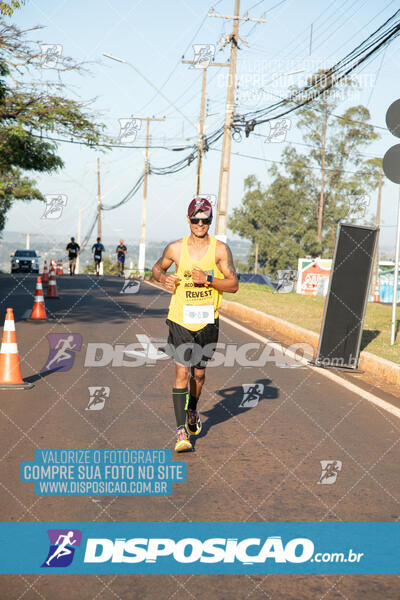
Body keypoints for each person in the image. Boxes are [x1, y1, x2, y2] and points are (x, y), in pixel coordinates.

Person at [152, 197, 239, 452]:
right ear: (188, 219)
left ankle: (192, 408)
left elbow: (233, 285)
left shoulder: (220, 250)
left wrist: (209, 279)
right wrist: (162, 278)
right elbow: (156, 269)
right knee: (182, 372)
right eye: (196, 219)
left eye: (205, 220)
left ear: (210, 221)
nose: (200, 223)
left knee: (198, 374)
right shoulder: (176, 249)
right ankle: (181, 433)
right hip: (180, 318)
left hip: (207, 321)